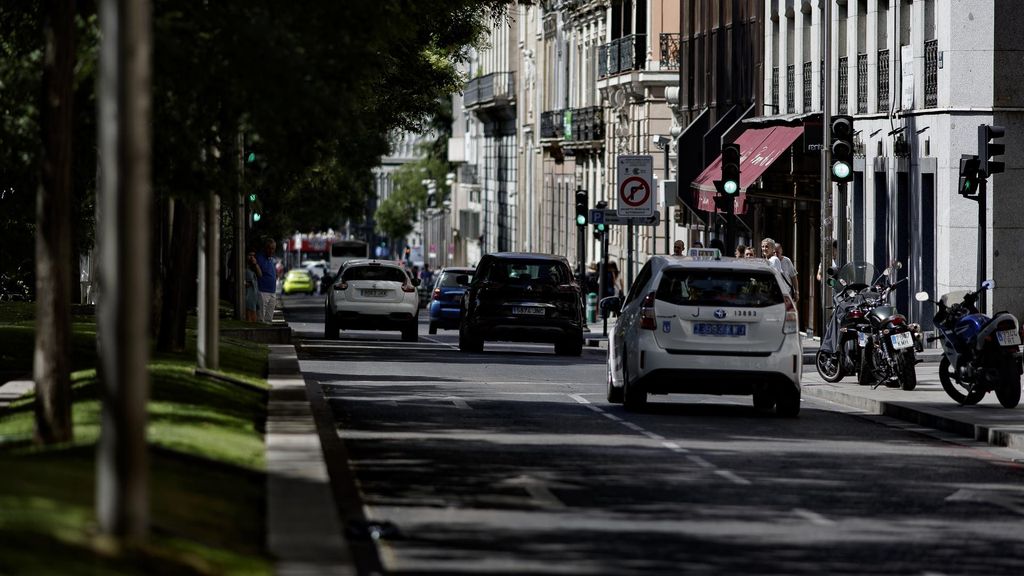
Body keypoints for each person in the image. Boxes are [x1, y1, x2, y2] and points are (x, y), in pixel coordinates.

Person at [256, 238, 279, 324]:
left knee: (269, 319)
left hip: (272, 292)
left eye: (273, 249)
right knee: (261, 319)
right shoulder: (259, 258)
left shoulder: (271, 259)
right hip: (262, 292)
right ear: (265, 248)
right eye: (270, 248)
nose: (272, 251)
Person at [244, 249, 262, 322]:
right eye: (250, 255)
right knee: (249, 319)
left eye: (253, 255)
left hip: (255, 296)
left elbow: (260, 275)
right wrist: (243, 283)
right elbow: (233, 279)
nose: (251, 257)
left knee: (255, 319)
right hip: (247, 296)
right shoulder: (242, 266)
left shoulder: (253, 266)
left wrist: (255, 264)